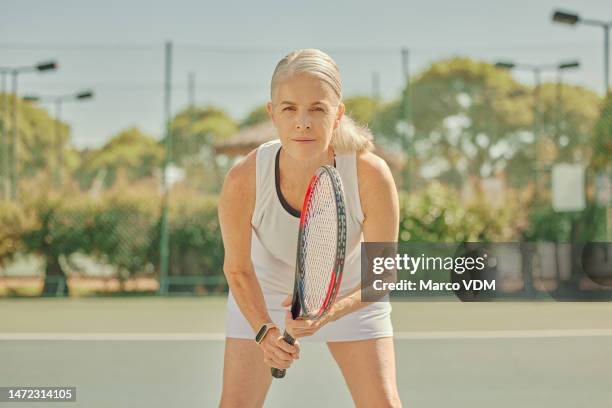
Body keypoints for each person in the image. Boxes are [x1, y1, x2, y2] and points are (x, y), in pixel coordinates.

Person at [218, 48, 401, 407]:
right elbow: (238, 269)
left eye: (317, 108)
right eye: (289, 108)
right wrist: (264, 330)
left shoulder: (370, 174)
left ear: (338, 115)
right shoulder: (243, 179)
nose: (302, 122)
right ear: (273, 114)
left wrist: (327, 311)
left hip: (349, 288)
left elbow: (382, 275)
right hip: (263, 288)